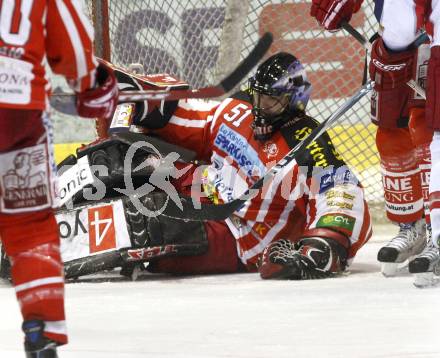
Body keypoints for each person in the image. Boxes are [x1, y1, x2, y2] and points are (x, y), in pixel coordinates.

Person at [101, 52, 372, 280]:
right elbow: (196, 118)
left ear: (295, 100)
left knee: (146, 227)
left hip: (238, 233)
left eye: (271, 101)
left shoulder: (307, 143)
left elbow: (340, 189)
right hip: (205, 188)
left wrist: (327, 241)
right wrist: (145, 101)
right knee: (119, 161)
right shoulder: (241, 107)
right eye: (258, 97)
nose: (260, 108)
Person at [0, 0, 118, 357]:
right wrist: (91, 85)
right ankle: (42, 331)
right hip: (18, 111)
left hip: (21, 108)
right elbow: (75, 51)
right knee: (29, 224)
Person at [309, 0, 440, 278]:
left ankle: (436, 230)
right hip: (396, 34)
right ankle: (412, 226)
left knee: (428, 129)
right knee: (391, 129)